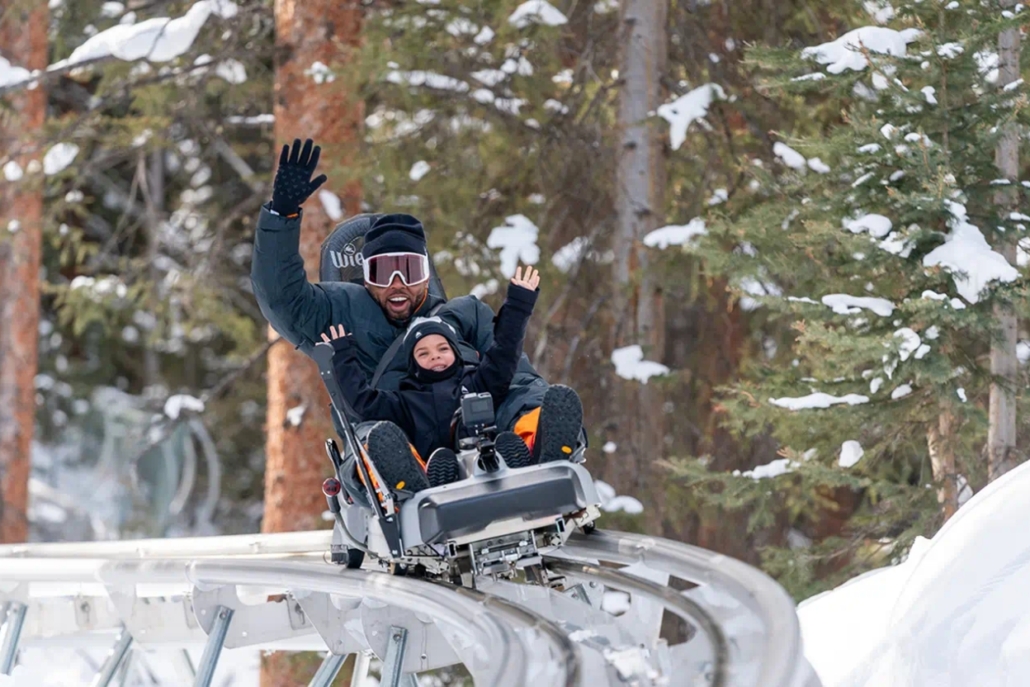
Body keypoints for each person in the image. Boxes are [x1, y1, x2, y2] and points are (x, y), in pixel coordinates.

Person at [251, 138, 550, 436]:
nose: (398, 283)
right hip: (390, 445)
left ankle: (537, 433)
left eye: (409, 270)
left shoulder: (465, 314)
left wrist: (533, 403)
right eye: (383, 271)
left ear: (426, 273)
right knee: (377, 435)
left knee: (525, 393)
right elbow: (282, 299)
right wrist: (282, 216)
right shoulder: (340, 311)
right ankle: (398, 464)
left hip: (476, 436)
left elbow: (510, 370)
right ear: (366, 276)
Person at [318, 266, 583, 494]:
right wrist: (342, 357)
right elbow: (362, 402)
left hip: (489, 460)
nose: (435, 357)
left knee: (532, 412)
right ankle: (408, 483)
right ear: (413, 364)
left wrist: (518, 305)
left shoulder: (478, 381)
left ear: (456, 353)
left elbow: (505, 352)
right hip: (432, 478)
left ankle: (541, 453)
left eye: (442, 349)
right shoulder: (406, 400)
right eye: (424, 353)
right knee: (383, 441)